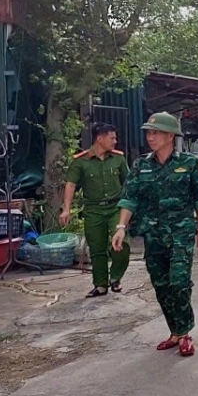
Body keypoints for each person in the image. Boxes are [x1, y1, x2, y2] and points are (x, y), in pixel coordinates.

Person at [112, 112, 198, 357]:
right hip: (153, 234)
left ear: (170, 135)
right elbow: (129, 198)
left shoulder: (191, 163)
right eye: (148, 133)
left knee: (178, 281)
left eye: (156, 133)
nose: (151, 137)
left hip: (181, 233)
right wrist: (121, 227)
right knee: (161, 285)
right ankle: (175, 331)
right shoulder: (140, 165)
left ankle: (185, 331)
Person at [61, 123, 130, 298]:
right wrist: (66, 209)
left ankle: (115, 277)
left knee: (121, 244)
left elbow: (128, 183)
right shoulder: (81, 161)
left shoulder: (118, 159)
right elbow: (70, 184)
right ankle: (100, 285)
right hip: (93, 210)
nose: (115, 141)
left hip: (116, 207)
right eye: (112, 138)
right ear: (99, 138)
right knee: (97, 248)